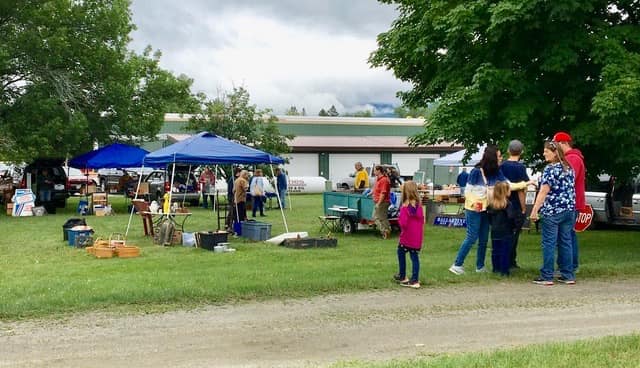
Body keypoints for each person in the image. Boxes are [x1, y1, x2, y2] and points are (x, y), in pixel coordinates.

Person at [449, 145, 530, 275]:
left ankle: (480, 266)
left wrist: (525, 184)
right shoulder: (476, 172)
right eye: (499, 156)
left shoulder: (497, 172)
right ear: (492, 157)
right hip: (473, 210)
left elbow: (508, 185)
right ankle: (457, 264)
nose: (501, 158)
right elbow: (468, 192)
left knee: (484, 238)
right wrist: (475, 203)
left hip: (487, 209)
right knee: (472, 236)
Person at [530, 141, 576, 285]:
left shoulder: (550, 169)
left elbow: (544, 191)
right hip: (569, 209)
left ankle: (547, 275)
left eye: (546, 151)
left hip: (553, 210)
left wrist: (535, 210)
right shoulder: (569, 168)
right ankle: (568, 274)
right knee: (566, 242)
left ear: (555, 153)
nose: (544, 153)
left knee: (549, 243)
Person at [553, 131, 585, 273]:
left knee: (566, 236)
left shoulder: (572, 159)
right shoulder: (572, 157)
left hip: (571, 202)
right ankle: (569, 265)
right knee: (568, 235)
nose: (554, 149)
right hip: (571, 202)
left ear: (563, 143)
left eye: (555, 145)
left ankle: (569, 265)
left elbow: (567, 179)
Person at [500, 140, 529, 269]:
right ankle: (511, 261)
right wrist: (524, 208)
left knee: (504, 232)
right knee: (514, 234)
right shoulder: (520, 168)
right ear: (521, 152)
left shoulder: (502, 166)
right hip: (516, 205)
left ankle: (502, 259)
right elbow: (521, 191)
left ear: (508, 151)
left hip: (503, 203)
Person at [393, 180, 424, 289]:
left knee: (400, 252)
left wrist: (399, 219)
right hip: (417, 237)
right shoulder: (419, 206)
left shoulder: (405, 207)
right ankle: (414, 279)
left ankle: (403, 276)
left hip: (406, 237)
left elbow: (403, 223)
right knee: (414, 257)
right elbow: (421, 221)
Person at [487, 181, 518, 276]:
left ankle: (496, 268)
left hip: (495, 231)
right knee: (505, 251)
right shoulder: (508, 204)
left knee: (495, 250)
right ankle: (504, 271)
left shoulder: (492, 205)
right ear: (505, 192)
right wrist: (515, 227)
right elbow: (511, 217)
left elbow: (489, 218)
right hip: (506, 231)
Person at [372, 165, 391, 239]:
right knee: (383, 218)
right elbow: (377, 189)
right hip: (381, 201)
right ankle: (387, 231)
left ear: (379, 171)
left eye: (374, 170)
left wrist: (378, 203)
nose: (374, 172)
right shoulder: (378, 179)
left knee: (375, 217)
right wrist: (371, 193)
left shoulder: (384, 180)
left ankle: (384, 231)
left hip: (382, 202)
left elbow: (383, 193)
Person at [226, 167, 241, 231]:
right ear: (237, 173)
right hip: (232, 197)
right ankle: (229, 225)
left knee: (231, 212)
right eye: (240, 172)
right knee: (232, 212)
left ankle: (228, 224)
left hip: (232, 197)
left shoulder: (234, 178)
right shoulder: (233, 179)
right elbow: (233, 190)